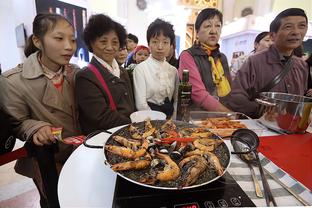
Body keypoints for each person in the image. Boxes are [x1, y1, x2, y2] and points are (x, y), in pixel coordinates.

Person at [0, 13, 80, 207]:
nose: (69, 46)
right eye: (59, 38)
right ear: (37, 40)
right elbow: (16, 121)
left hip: (79, 153)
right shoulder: (13, 81)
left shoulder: (75, 72)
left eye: (72, 39)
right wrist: (36, 127)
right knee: (54, 200)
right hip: (48, 159)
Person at [223, 8, 308, 118]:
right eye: (288, 27)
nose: (296, 32)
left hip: (292, 128)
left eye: (302, 26)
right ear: (273, 36)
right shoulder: (254, 61)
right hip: (261, 128)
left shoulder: (302, 66)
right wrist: (263, 112)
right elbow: (236, 98)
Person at [75, 14, 135, 135]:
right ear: (91, 42)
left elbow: (130, 105)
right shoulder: (85, 76)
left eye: (115, 42)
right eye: (103, 41)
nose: (109, 47)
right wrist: (133, 125)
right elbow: (101, 117)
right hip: (104, 139)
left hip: (127, 134)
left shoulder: (122, 71)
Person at [178, 8, 232, 112]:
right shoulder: (188, 56)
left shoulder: (222, 58)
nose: (213, 31)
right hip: (197, 118)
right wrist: (228, 113)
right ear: (197, 32)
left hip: (222, 118)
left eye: (218, 26)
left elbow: (230, 90)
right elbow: (198, 93)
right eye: (208, 26)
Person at [133, 18, 178, 118]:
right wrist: (158, 122)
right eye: (155, 41)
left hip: (169, 120)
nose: (160, 47)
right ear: (148, 44)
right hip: (148, 120)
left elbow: (176, 101)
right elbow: (141, 104)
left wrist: (172, 121)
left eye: (165, 42)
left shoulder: (173, 71)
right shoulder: (140, 69)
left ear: (171, 45)